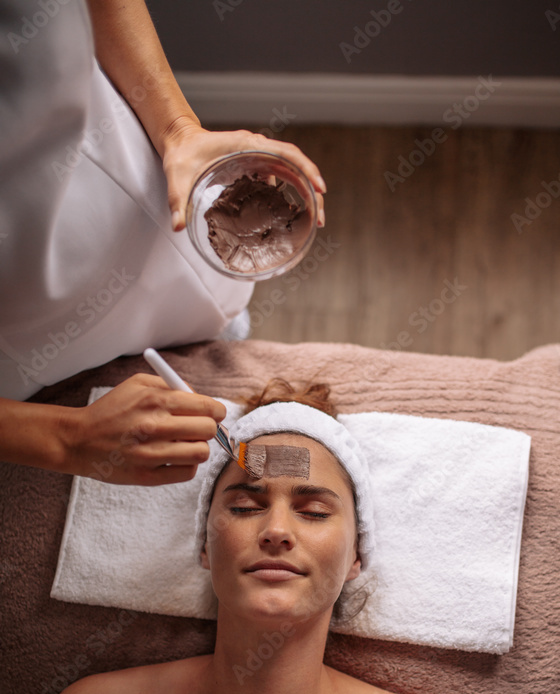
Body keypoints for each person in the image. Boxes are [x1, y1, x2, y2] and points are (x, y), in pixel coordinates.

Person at [45, 380, 476, 694]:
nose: (276, 530)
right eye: (247, 506)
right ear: (206, 546)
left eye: (313, 512)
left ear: (356, 555)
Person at [0, 0, 326, 487]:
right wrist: (60, 437)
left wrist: (177, 131)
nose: (277, 532)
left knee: (208, 304)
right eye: (243, 504)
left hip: (137, 184)